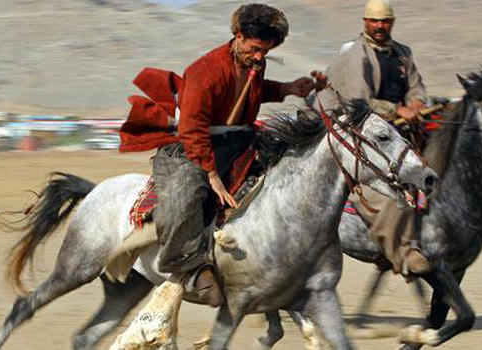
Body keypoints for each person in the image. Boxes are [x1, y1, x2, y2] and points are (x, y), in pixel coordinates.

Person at [119, 4, 326, 293]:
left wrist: (288, 88)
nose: (259, 57)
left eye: (265, 52)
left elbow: (249, 91)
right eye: (254, 49)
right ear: (238, 36)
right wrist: (211, 174)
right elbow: (192, 127)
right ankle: (180, 262)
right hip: (193, 145)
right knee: (187, 194)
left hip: (238, 140)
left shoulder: (254, 62)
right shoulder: (204, 71)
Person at [316, 0, 433, 275]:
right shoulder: (357, 55)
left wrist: (416, 103)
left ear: (392, 22)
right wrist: (397, 109)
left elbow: (416, 86)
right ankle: (402, 251)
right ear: (365, 21)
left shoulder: (403, 53)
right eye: (374, 21)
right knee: (383, 185)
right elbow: (358, 102)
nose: (380, 26)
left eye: (385, 21)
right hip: (357, 128)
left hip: (394, 130)